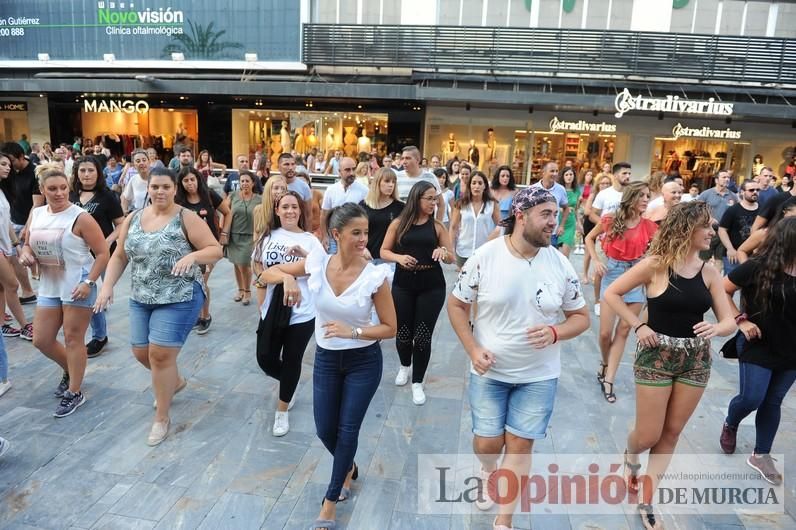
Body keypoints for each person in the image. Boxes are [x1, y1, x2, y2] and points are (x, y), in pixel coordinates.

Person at [447, 187, 590, 530]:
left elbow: (581, 317)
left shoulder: (560, 263)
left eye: (556, 215)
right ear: (521, 216)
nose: (554, 223)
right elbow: (456, 305)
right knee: (488, 443)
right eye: (546, 215)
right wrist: (471, 348)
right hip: (490, 371)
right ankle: (487, 469)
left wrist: (556, 332)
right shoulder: (485, 256)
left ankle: (504, 520)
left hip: (539, 375)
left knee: (521, 445)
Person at [260, 203, 396, 530]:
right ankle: (347, 467)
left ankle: (330, 502)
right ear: (336, 234)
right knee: (324, 429)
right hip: (326, 359)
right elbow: (264, 273)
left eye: (366, 232)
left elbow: (391, 327)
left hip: (363, 361)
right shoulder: (318, 263)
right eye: (356, 233)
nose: (364, 239)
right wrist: (286, 280)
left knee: (348, 429)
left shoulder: (374, 276)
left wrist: (355, 331)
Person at [604, 201, 735, 529]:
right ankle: (631, 454)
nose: (712, 231)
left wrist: (717, 328)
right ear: (686, 228)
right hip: (656, 356)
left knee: (672, 433)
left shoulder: (709, 271)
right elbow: (612, 294)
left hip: (695, 360)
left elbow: (729, 319)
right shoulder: (655, 265)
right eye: (706, 225)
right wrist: (639, 325)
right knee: (648, 434)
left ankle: (647, 499)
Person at [94, 167, 222, 445]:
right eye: (155, 187)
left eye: (166, 187)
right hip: (142, 296)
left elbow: (215, 249)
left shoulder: (186, 218)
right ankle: (173, 382)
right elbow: (119, 255)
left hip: (180, 295)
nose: (160, 192)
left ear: (174, 189)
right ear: (148, 189)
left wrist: (194, 257)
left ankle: (162, 418)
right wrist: (106, 287)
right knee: (142, 353)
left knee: (161, 356)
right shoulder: (134, 218)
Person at [18, 167, 109, 417]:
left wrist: (89, 283)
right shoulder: (36, 214)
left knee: (72, 338)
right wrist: (25, 253)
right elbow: (27, 244)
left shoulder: (80, 217)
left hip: (78, 283)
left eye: (63, 188)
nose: (58, 193)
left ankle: (75, 391)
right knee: (42, 339)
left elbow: (102, 254)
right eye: (52, 189)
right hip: (49, 283)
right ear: (43, 190)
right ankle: (71, 369)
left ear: (69, 188)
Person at [720, 217, 796, 486]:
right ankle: (731, 421)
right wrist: (741, 320)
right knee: (752, 397)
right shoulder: (757, 266)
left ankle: (761, 454)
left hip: (791, 351)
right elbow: (722, 290)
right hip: (758, 343)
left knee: (772, 401)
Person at [252, 191, 324, 436]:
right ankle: (289, 383)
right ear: (277, 211)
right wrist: (286, 276)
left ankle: (282, 411)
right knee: (264, 358)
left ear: (300, 211)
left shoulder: (311, 241)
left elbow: (315, 267)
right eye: (285, 207)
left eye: (294, 206)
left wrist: (281, 271)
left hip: (302, 311)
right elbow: (260, 272)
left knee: (292, 360)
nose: (290, 211)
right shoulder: (268, 237)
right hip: (272, 307)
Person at [381, 181, 454, 405]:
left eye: (435, 199)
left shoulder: (438, 227)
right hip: (403, 283)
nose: (434, 203)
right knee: (402, 332)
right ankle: (405, 366)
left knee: (422, 335)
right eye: (429, 198)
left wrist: (443, 252)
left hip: (432, 284)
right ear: (417, 199)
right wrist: (399, 258)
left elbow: (451, 257)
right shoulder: (398, 224)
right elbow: (383, 251)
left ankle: (418, 381)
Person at [585, 182, 657, 403]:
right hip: (613, 274)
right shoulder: (610, 219)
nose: (646, 199)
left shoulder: (649, 226)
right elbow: (589, 238)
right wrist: (596, 261)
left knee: (624, 331)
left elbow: (659, 249)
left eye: (648, 196)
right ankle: (605, 363)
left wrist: (648, 259)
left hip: (635, 277)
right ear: (632, 197)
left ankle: (609, 379)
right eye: (643, 196)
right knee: (606, 333)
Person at [70, 156, 125, 357]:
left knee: (97, 295)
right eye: (82, 170)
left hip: (101, 255)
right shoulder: (70, 195)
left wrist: (108, 241)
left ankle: (99, 336)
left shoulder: (107, 196)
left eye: (91, 170)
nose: (86, 174)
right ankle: (97, 330)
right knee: (87, 295)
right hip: (76, 255)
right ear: (76, 173)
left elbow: (121, 223)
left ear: (98, 173)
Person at [176, 167, 229, 334]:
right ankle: (197, 315)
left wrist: (224, 233)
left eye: (192, 179)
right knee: (192, 283)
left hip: (208, 247)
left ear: (198, 179)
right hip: (186, 249)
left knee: (201, 281)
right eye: (186, 180)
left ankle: (205, 316)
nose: (190, 183)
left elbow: (228, 212)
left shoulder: (209, 195)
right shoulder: (178, 201)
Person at [1, 141, 41, 304]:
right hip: (13, 222)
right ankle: (27, 291)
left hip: (33, 222)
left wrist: (28, 226)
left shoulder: (34, 172)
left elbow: (37, 204)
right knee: (16, 261)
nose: (8, 166)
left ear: (20, 157)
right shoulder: (10, 173)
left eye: (10, 161)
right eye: (4, 163)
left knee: (33, 259)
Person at [0, 152, 33, 342]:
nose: (7, 168)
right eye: (3, 164)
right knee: (12, 285)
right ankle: (24, 326)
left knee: (2, 288)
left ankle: (3, 325)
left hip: (5, 246)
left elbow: (7, 223)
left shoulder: (3, 191)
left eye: (8, 165)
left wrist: (15, 245)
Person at [220, 171, 260, 306]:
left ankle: (248, 291)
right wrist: (223, 232)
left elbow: (264, 217)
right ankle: (240, 290)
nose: (244, 183)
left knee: (245, 264)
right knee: (237, 265)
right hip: (234, 235)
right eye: (242, 181)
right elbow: (224, 213)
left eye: (247, 181)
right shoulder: (233, 196)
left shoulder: (259, 199)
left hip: (250, 236)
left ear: (253, 183)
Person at [449, 171, 501, 270]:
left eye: (480, 183)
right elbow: (453, 227)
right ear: (469, 185)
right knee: (463, 282)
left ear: (485, 186)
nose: (476, 186)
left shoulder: (492, 204)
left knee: (482, 282)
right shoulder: (461, 204)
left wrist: (494, 236)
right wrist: (451, 248)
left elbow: (500, 225)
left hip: (485, 251)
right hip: (463, 250)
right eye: (474, 183)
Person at [320, 157, 368, 253]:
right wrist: (325, 236)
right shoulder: (331, 190)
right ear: (339, 171)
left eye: (353, 169)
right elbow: (324, 215)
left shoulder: (364, 191)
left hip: (355, 240)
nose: (351, 173)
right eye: (347, 170)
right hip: (333, 239)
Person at [360, 167, 404, 263]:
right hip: (367, 258)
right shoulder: (363, 205)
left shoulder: (400, 207)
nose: (391, 185)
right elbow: (355, 231)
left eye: (393, 182)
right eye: (387, 181)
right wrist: (362, 248)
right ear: (377, 182)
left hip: (391, 260)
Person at [718, 179, 759, 276]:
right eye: (751, 190)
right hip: (734, 255)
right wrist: (730, 248)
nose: (755, 192)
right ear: (742, 192)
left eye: (757, 190)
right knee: (729, 285)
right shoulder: (733, 210)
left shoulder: (763, 210)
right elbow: (722, 229)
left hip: (754, 256)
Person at [698, 170, 738, 268]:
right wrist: (709, 219)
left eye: (728, 177)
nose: (727, 179)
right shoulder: (706, 194)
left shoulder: (733, 196)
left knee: (719, 260)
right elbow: (697, 211)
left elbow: (736, 214)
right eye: (724, 177)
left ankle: (715, 281)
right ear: (716, 180)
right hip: (709, 231)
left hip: (725, 233)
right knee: (703, 259)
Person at [738, 197, 796, 263]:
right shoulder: (765, 233)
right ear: (785, 212)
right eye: (793, 216)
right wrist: (747, 270)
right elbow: (742, 251)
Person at [582, 173, 612, 287]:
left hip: (604, 226)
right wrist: (603, 223)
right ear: (598, 184)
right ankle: (584, 274)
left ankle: (597, 274)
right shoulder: (594, 195)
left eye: (607, 183)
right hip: (591, 224)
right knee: (589, 252)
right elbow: (587, 212)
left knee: (600, 251)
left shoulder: (611, 196)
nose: (605, 185)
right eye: (602, 183)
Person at [530, 162, 570, 249]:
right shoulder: (532, 189)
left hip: (552, 233)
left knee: (551, 260)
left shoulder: (560, 189)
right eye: (552, 171)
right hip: (536, 232)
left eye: (557, 171)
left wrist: (562, 225)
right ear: (543, 172)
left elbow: (566, 208)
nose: (555, 174)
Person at [558, 166, 581, 257]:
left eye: (571, 174)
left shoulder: (576, 191)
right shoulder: (559, 189)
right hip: (558, 221)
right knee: (554, 252)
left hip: (570, 223)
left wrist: (579, 223)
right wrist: (563, 209)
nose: (569, 176)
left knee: (565, 254)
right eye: (566, 174)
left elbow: (576, 209)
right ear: (563, 177)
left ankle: (564, 271)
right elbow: (553, 204)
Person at [121, 149, 151, 214]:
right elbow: (125, 197)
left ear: (149, 162)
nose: (141, 163)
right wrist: (124, 211)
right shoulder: (133, 179)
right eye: (138, 161)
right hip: (139, 216)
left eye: (144, 160)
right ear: (134, 165)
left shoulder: (157, 178)